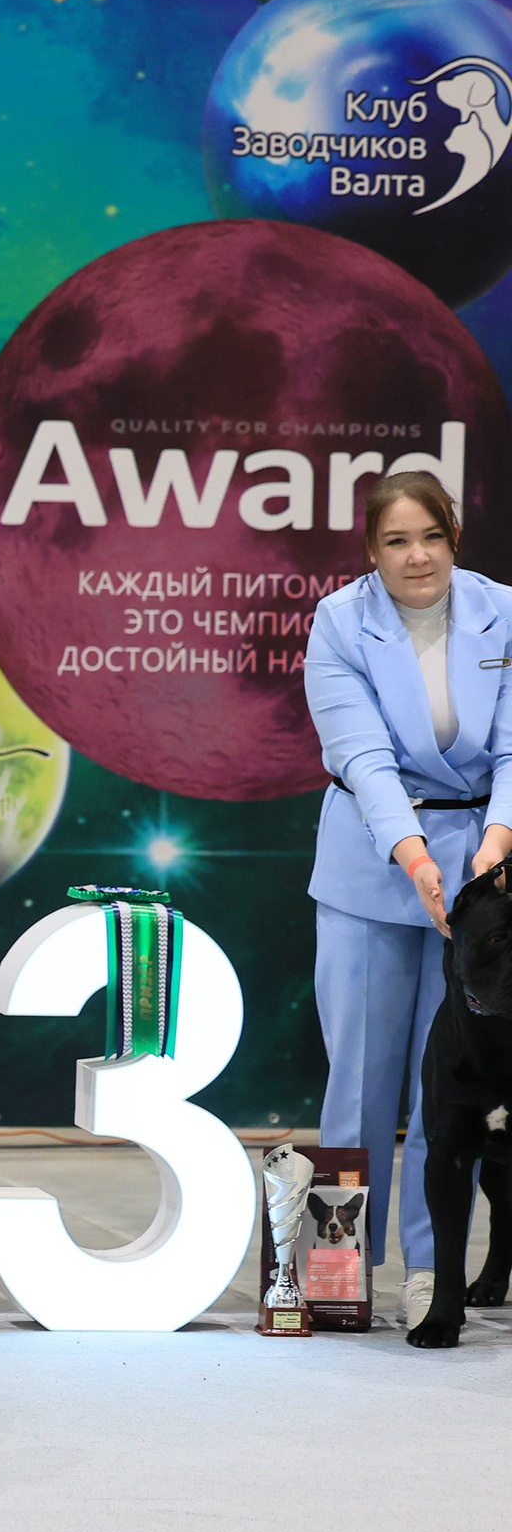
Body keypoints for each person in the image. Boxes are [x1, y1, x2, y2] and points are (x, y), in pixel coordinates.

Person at [304, 469, 512, 1334]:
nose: (415, 555)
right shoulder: (338, 622)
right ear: (370, 550)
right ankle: (337, 1267)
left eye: (429, 535)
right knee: (357, 1079)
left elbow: (511, 748)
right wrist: (415, 855)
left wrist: (496, 845)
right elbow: (361, 756)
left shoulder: (503, 607)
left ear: (453, 536)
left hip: (484, 880)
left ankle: (434, 1271)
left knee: (454, 1090)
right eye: (395, 541)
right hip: (371, 864)